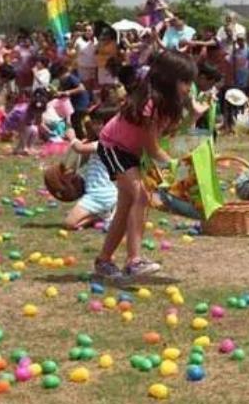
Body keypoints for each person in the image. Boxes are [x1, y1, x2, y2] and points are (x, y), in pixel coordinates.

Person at [93, 51, 197, 280]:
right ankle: (134, 261)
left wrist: (193, 117)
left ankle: (104, 261)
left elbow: (167, 137)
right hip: (114, 147)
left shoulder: (170, 104)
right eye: (185, 81)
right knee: (141, 196)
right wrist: (176, 167)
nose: (189, 87)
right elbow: (153, 147)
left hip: (132, 153)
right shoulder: (150, 102)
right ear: (169, 79)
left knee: (126, 206)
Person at [64, 109, 118, 231]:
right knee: (72, 220)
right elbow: (81, 158)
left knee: (69, 223)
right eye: (94, 123)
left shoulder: (105, 144)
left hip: (100, 194)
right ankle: (104, 212)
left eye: (99, 123)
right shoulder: (100, 143)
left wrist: (72, 138)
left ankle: (99, 215)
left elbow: (80, 148)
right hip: (101, 193)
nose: (95, 126)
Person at [51, 62, 90, 139]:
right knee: (75, 121)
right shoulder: (64, 81)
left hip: (80, 104)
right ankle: (80, 137)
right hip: (74, 104)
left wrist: (66, 93)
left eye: (59, 76)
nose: (59, 78)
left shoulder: (71, 78)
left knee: (77, 121)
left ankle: (82, 138)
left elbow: (81, 88)